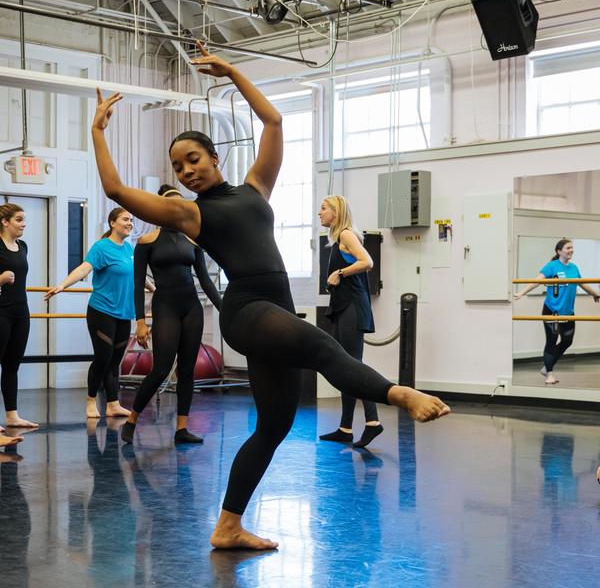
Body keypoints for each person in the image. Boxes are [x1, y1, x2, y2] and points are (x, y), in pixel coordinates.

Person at [91, 42, 450, 550]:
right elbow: (115, 191)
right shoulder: (193, 214)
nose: (187, 171)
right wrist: (98, 134)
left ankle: (228, 525)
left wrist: (234, 71)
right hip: (246, 310)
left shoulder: (256, 188)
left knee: (274, 426)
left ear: (215, 157)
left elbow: (275, 123)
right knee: (327, 349)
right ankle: (398, 395)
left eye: (193, 159)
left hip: (273, 309)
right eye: (178, 167)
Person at [121, 184, 222, 445]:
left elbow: (206, 282)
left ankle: (181, 429)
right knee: (161, 369)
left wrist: (225, 308)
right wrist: (140, 322)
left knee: (187, 370)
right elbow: (137, 283)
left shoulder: (192, 241)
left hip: (191, 308)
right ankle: (132, 419)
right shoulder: (146, 242)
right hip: (164, 307)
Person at [45, 208, 136, 418]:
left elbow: (135, 275)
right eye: (125, 219)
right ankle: (90, 400)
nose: (130, 223)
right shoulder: (101, 248)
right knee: (103, 358)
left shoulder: (129, 249)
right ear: (112, 223)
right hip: (102, 311)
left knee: (115, 361)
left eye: (131, 219)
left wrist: (154, 288)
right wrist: (62, 285)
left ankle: (113, 404)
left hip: (124, 312)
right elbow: (84, 269)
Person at [318, 196, 383, 448]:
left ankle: (373, 422)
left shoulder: (346, 235)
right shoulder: (337, 239)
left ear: (337, 212)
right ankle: (345, 428)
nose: (319, 213)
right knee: (346, 366)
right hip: (343, 308)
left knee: (353, 366)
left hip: (353, 309)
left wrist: (339, 273)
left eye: (324, 209)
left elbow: (367, 262)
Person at [514, 239, 599, 385]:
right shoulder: (552, 266)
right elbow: (537, 281)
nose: (571, 250)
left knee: (567, 341)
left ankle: (547, 366)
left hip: (568, 312)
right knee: (551, 342)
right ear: (559, 251)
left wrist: (595, 294)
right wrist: (521, 292)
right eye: (568, 248)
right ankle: (549, 374)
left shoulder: (574, 268)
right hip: (552, 311)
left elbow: (582, 283)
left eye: (572, 248)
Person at [0, 203, 39, 432]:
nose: (24, 224)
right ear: (5, 222)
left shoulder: (23, 246)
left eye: (24, 219)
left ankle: (12, 415)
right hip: (1, 312)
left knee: (12, 365)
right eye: (19, 220)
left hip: (20, 312)